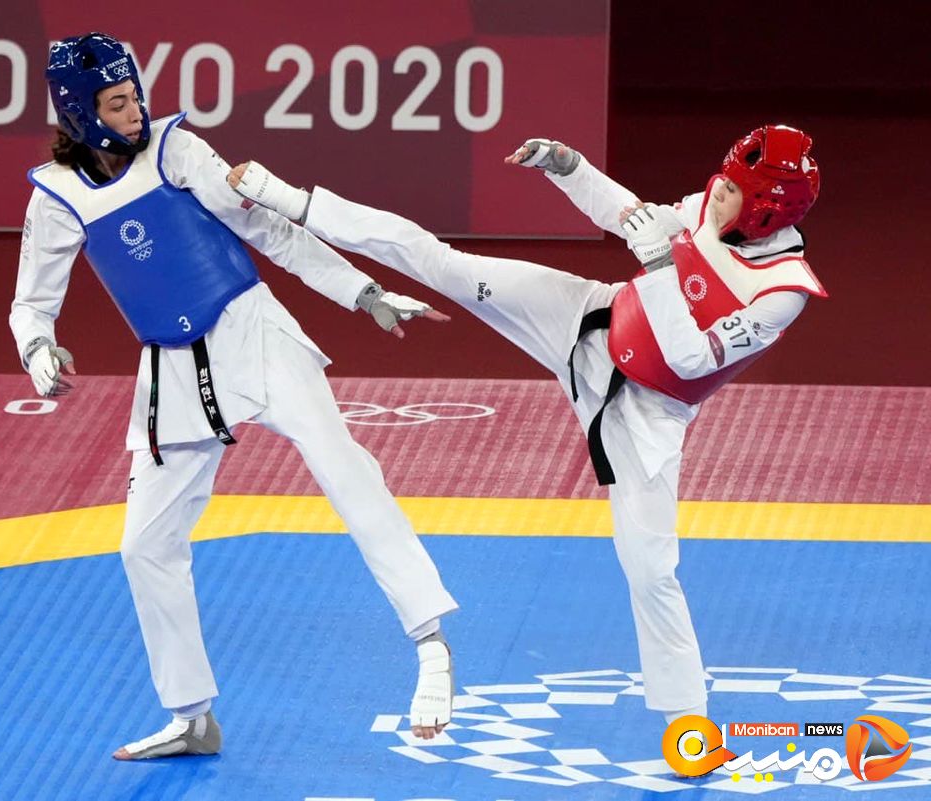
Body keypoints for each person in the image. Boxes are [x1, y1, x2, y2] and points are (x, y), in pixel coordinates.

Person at [227, 124, 826, 729]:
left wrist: (659, 266)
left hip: (647, 410)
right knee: (444, 263)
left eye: (732, 192)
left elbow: (689, 359)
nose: (715, 193)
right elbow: (633, 216)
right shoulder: (711, 203)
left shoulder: (783, 292)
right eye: (722, 181)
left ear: (767, 212)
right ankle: (295, 200)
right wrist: (570, 169)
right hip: (591, 316)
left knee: (650, 567)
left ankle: (688, 719)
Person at [9, 32, 459, 760]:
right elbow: (32, 302)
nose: (134, 111)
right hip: (171, 370)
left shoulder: (178, 151)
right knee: (145, 546)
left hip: (253, 333)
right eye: (117, 104)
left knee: (345, 468)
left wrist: (363, 292)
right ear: (80, 113)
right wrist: (38, 350)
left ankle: (431, 643)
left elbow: (269, 228)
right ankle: (192, 716)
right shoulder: (56, 197)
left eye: (134, 96)